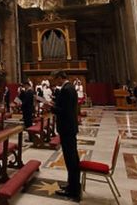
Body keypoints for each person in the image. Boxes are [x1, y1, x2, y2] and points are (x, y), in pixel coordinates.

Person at [50, 70, 81, 202]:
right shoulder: (70, 88)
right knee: (71, 157)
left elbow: (64, 111)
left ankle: (73, 190)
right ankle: (72, 185)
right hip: (70, 127)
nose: (54, 82)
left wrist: (51, 107)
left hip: (67, 128)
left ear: (60, 78)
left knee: (71, 158)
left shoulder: (66, 89)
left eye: (55, 79)